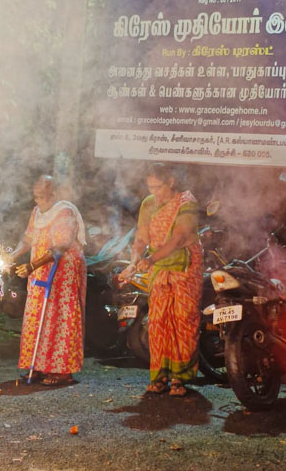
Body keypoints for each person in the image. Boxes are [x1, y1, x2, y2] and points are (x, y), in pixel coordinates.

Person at [119, 163, 203, 396]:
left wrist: (151, 259)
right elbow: (140, 239)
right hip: (158, 268)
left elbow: (178, 239)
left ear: (171, 182)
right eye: (150, 187)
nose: (154, 192)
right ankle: (159, 377)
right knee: (157, 322)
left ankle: (179, 379)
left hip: (185, 267)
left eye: (158, 187)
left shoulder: (186, 203)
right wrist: (133, 263)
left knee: (183, 320)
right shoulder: (148, 204)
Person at [11, 175, 86, 385]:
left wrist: (32, 266)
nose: (39, 201)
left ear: (54, 194)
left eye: (43, 197)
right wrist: (13, 254)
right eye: (36, 197)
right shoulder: (37, 212)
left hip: (62, 274)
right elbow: (28, 238)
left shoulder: (64, 212)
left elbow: (60, 247)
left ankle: (61, 371)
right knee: (37, 317)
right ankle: (37, 366)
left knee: (60, 319)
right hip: (39, 273)